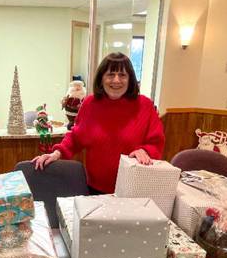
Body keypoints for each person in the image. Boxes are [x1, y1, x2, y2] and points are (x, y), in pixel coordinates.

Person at [32, 52, 165, 194]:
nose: (116, 80)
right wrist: (56, 153)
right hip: (95, 189)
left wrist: (144, 150)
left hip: (134, 189)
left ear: (130, 79)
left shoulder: (144, 105)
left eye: (122, 75)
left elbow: (156, 142)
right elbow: (76, 137)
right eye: (110, 74)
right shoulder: (90, 104)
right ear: (101, 78)